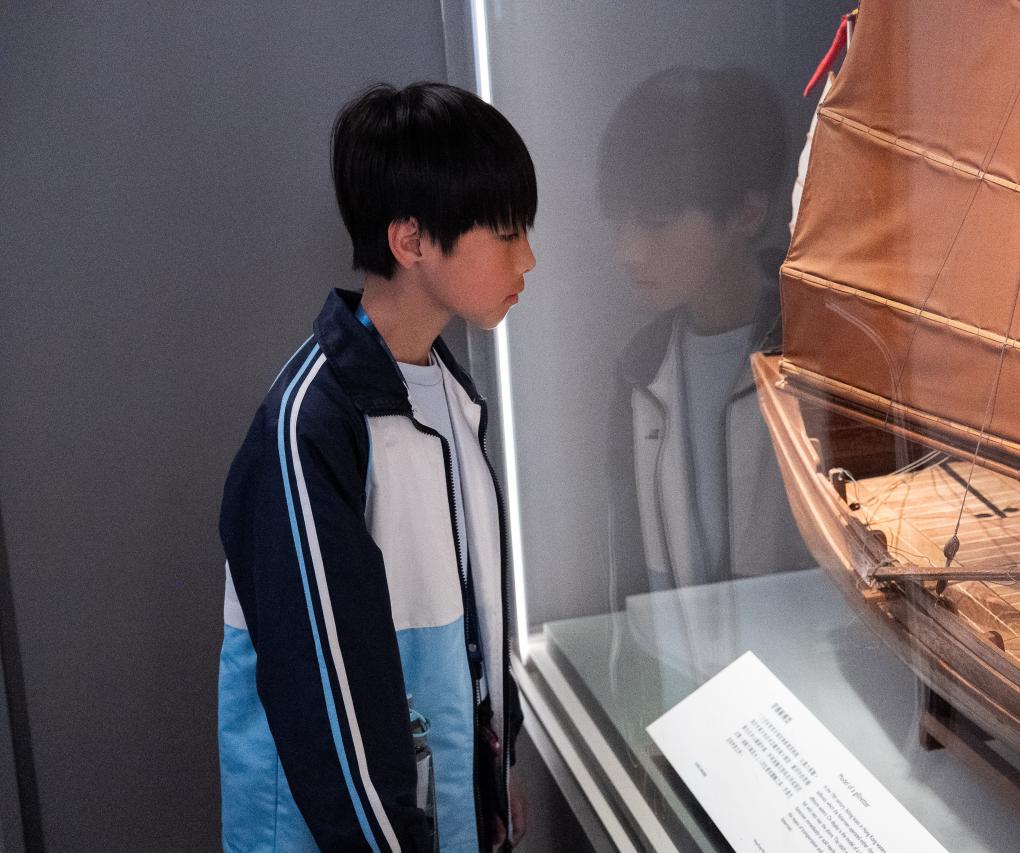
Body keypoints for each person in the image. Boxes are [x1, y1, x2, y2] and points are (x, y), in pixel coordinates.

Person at [218, 81, 535, 852]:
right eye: (505, 233)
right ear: (411, 241)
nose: (528, 258)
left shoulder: (447, 389)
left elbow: (471, 620)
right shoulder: (311, 427)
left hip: (432, 816)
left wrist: (491, 776)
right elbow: (324, 710)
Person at [599, 67, 811, 611]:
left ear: (748, 211)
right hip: (677, 661)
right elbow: (630, 581)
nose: (629, 252)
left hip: (802, 654)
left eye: (657, 220)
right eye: (619, 221)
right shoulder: (638, 369)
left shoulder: (814, 354)